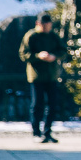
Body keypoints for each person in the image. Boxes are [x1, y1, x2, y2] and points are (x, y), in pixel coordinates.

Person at [21, 12, 67, 143]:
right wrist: (37, 56)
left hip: (51, 75)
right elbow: (23, 54)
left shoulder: (53, 36)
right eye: (44, 25)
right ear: (38, 24)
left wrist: (54, 56)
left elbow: (63, 51)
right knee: (37, 105)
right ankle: (36, 132)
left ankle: (47, 132)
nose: (47, 28)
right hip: (36, 76)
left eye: (49, 25)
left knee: (52, 105)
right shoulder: (31, 36)